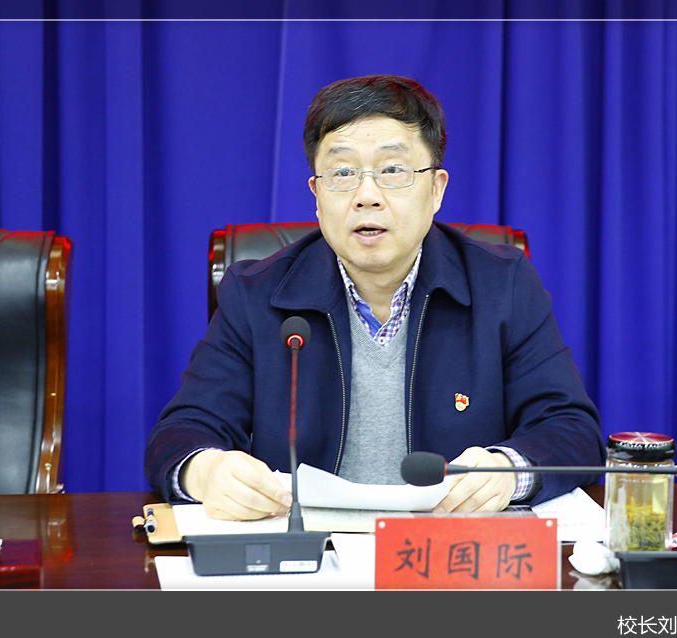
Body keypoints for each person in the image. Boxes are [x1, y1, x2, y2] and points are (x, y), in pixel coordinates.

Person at [144, 74, 605, 520]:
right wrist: (208, 471)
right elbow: (181, 432)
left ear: (436, 189)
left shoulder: (503, 285)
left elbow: (570, 427)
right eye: (342, 173)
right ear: (317, 195)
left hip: (447, 547)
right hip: (309, 550)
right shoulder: (255, 294)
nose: (367, 196)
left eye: (393, 171)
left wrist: (507, 471)